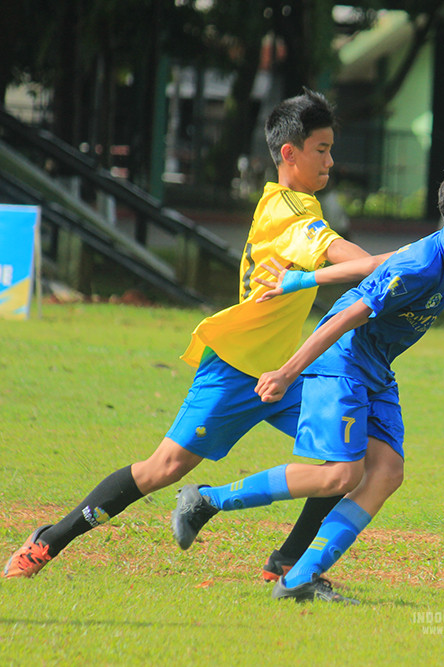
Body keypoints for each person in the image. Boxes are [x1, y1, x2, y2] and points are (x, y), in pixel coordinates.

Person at [4, 89, 390, 579]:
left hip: (285, 372)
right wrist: (412, 263)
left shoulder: (301, 209)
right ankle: (47, 542)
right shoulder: (288, 215)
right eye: (322, 149)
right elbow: (358, 263)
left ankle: (287, 564)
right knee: (162, 469)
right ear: (289, 154)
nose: (331, 162)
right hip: (235, 370)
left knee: (349, 457)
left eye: (331, 150)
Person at [171, 154, 444, 603]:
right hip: (344, 364)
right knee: (341, 475)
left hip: (376, 370)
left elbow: (370, 267)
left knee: (387, 472)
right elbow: (344, 317)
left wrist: (300, 281)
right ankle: (207, 500)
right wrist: (287, 372)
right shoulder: (421, 265)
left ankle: (299, 577)